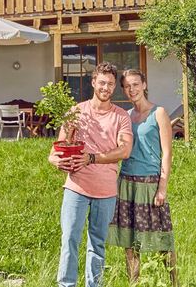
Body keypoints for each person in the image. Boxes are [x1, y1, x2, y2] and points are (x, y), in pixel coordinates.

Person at [48, 62, 133, 287]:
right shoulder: (76, 112)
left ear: (115, 87)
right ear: (93, 82)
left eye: (111, 84)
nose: (106, 87)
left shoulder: (121, 116)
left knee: (97, 244)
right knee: (69, 240)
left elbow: (124, 150)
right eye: (102, 82)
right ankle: (66, 285)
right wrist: (58, 162)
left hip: (106, 191)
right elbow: (55, 152)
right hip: (76, 187)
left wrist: (92, 157)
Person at [109, 69, 177, 285]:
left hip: (150, 183)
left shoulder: (159, 113)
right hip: (127, 182)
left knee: (162, 240)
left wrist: (162, 187)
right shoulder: (126, 117)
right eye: (128, 86)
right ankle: (134, 282)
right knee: (130, 242)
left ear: (145, 85)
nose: (132, 89)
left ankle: (174, 281)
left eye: (136, 84)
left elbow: (167, 153)